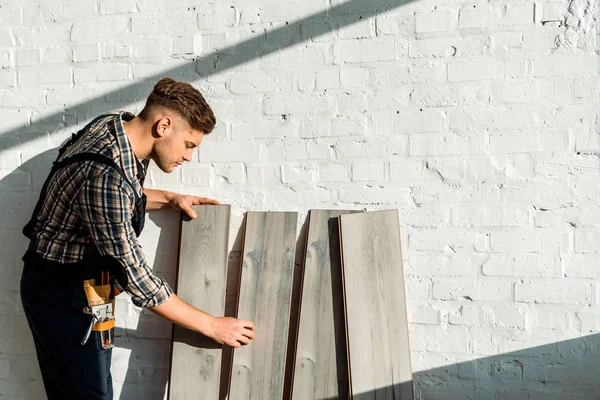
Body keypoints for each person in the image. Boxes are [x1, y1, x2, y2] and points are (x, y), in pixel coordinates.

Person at [19, 77, 255, 399]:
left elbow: (120, 195)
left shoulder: (117, 127)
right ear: (164, 126)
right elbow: (139, 281)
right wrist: (212, 325)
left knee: (97, 389)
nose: (188, 157)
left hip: (90, 286)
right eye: (189, 145)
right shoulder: (103, 176)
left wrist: (171, 198)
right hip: (61, 293)